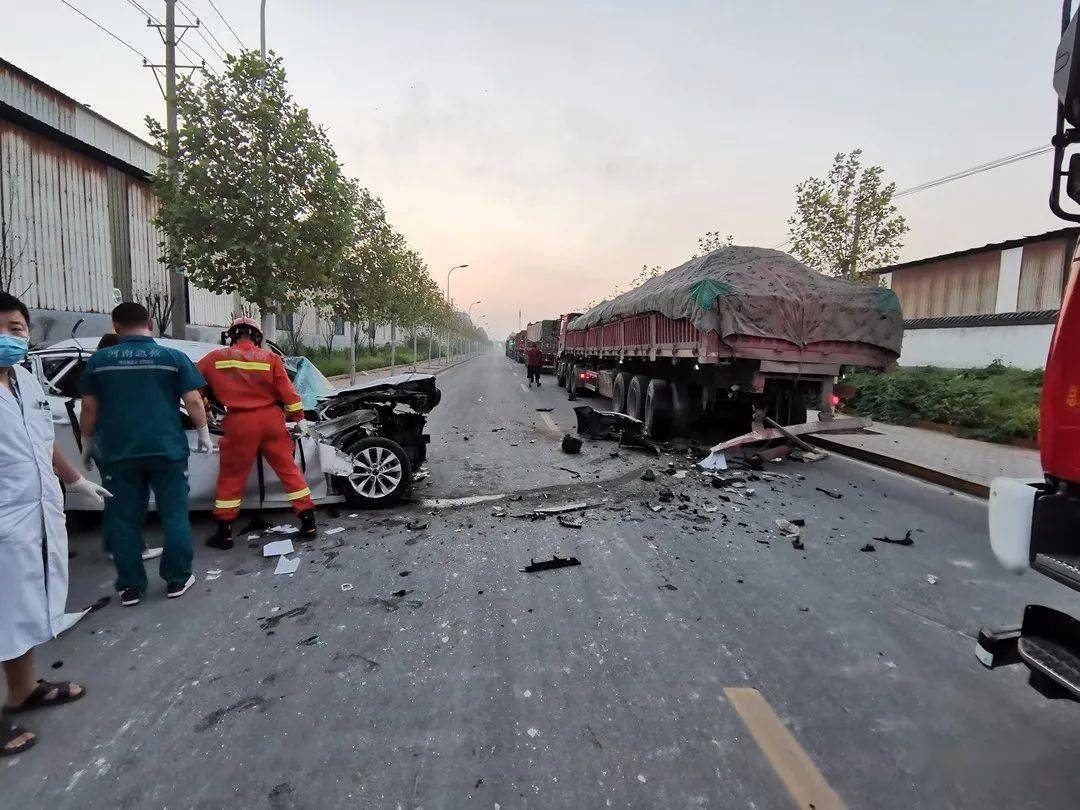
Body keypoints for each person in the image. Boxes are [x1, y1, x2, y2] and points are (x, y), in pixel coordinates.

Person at [0, 292, 110, 757]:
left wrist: (77, 481)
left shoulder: (25, 380)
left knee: (19, 609)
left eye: (16, 328)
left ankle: (23, 690)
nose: (8, 338)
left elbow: (43, 442)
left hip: (33, 515)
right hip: (6, 515)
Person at [79, 302, 212, 607]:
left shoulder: (100, 361)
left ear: (116, 326)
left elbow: (89, 407)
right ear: (150, 323)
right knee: (174, 514)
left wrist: (87, 443)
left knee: (124, 519)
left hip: (118, 453)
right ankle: (177, 579)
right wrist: (203, 435)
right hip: (167, 450)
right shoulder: (172, 357)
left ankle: (130, 587)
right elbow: (192, 399)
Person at [196, 317, 317, 549]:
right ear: (257, 337)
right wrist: (299, 419)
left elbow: (191, 386)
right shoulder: (270, 358)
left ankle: (224, 533)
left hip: (239, 422)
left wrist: (205, 408)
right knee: (289, 471)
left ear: (232, 335)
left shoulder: (215, 358)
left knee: (231, 477)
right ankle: (308, 523)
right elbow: (288, 393)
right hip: (271, 420)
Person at [93, 334, 161, 563]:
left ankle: (114, 545)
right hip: (120, 445)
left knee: (115, 497)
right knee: (128, 500)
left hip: (105, 442)